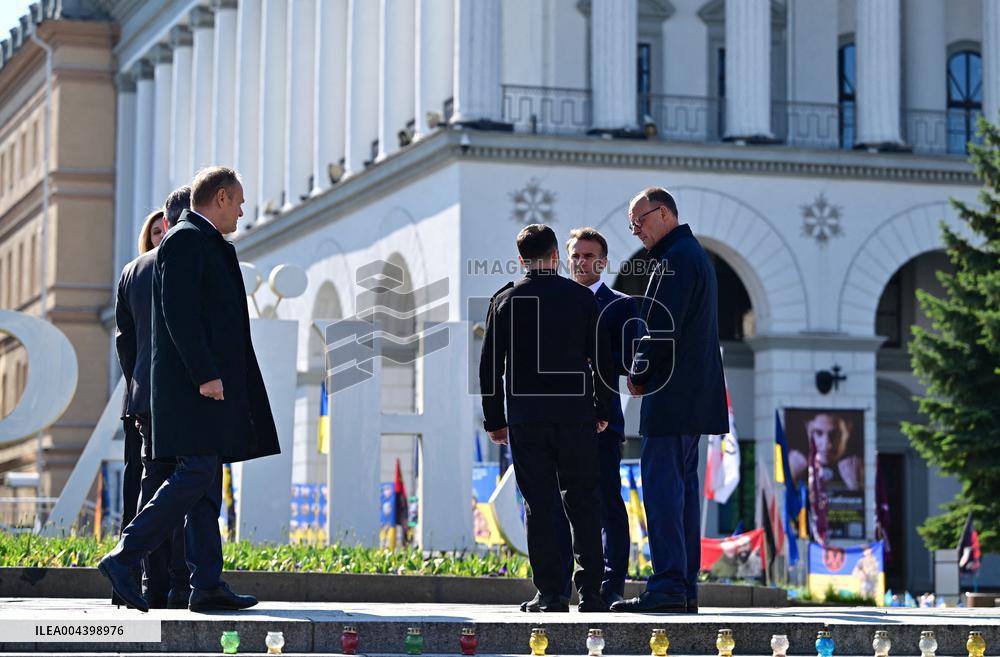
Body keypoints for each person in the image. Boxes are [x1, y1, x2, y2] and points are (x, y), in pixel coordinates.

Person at [99, 167, 280, 613]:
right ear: (219, 197)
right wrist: (205, 373)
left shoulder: (206, 242)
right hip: (190, 391)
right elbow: (178, 317)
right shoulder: (184, 239)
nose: (241, 210)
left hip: (200, 390)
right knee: (197, 472)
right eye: (238, 201)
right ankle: (125, 557)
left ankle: (206, 585)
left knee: (204, 482)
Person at [479, 224, 615, 613]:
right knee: (585, 501)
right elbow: (602, 359)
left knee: (540, 504)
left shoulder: (505, 300)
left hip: (527, 418)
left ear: (521, 259)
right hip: (576, 416)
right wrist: (602, 409)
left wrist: (495, 420)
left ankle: (552, 593)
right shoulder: (581, 299)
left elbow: (490, 367)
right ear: (556, 257)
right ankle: (591, 593)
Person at [611, 188, 728, 614]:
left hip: (672, 395)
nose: (635, 230)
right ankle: (683, 588)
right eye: (631, 223)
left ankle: (667, 586)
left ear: (663, 214)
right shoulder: (691, 255)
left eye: (638, 220)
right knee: (681, 497)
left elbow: (660, 326)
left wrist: (638, 373)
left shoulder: (675, 260)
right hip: (691, 398)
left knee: (663, 493)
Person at [539, 227, 640, 608]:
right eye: (576, 255)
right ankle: (560, 587)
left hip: (602, 421)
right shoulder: (552, 302)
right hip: (557, 420)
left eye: (589, 255)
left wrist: (590, 360)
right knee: (561, 506)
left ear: (603, 261)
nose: (581, 262)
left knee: (607, 502)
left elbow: (628, 362)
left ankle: (612, 584)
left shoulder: (621, 305)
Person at [789, 412, 862, 491]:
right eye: (818, 433)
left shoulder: (861, 466)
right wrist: (789, 477)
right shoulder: (793, 462)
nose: (827, 445)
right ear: (807, 429)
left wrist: (856, 486)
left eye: (835, 434)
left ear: (848, 431)